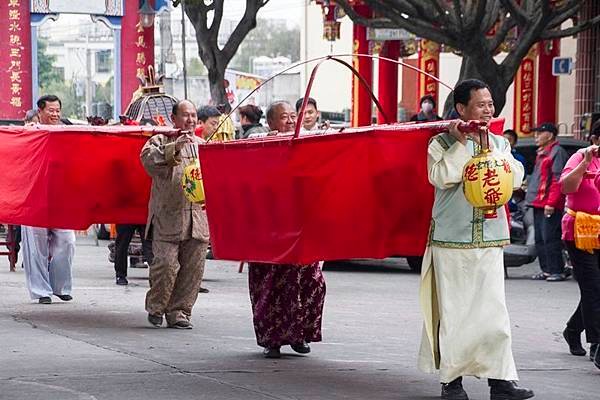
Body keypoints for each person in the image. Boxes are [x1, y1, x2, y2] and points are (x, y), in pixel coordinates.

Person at [419, 79, 533, 400]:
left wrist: (494, 154)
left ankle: (500, 380)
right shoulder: (440, 143)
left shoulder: (498, 143)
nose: (488, 110)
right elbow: (440, 176)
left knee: (493, 311)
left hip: (490, 239)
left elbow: (515, 177)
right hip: (451, 240)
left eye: (490, 105)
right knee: (455, 312)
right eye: (481, 105)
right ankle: (452, 382)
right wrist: (459, 144)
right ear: (461, 108)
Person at [247, 100, 326, 359]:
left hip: (301, 226)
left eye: (294, 116)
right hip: (270, 228)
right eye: (284, 117)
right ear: (270, 122)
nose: (291, 121)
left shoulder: (308, 142)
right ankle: (272, 339)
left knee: (310, 282)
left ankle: (299, 334)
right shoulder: (259, 142)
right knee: (272, 285)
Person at [141, 99, 210, 329]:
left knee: (192, 270)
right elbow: (148, 161)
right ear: (174, 118)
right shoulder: (160, 140)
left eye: (193, 115)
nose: (190, 120)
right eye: (185, 115)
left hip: (197, 219)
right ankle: (156, 306)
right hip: (167, 217)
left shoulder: (203, 145)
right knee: (166, 265)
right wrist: (176, 148)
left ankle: (179, 311)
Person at [21, 95, 76, 304]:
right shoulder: (30, 133)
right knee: (36, 246)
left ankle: (60, 287)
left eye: (57, 110)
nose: (55, 114)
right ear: (40, 111)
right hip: (33, 196)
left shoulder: (67, 132)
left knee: (67, 241)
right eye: (51, 110)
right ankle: (41, 291)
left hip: (60, 196)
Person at [559, 123, 600, 369]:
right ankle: (597, 343)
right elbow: (566, 187)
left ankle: (573, 329)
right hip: (579, 231)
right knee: (593, 286)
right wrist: (585, 163)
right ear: (595, 138)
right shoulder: (578, 157)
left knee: (595, 288)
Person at [525, 123, 569, 281]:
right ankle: (547, 270)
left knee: (550, 237)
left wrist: (551, 203)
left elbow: (558, 180)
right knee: (540, 238)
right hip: (538, 202)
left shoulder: (557, 152)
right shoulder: (542, 152)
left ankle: (557, 270)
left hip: (549, 204)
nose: (536, 137)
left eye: (539, 133)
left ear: (550, 135)